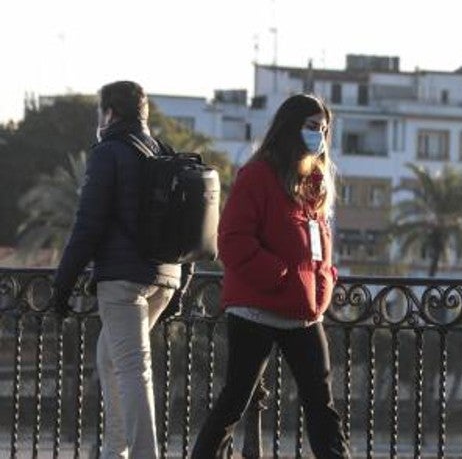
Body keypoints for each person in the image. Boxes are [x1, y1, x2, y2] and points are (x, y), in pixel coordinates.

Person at [191, 94, 349, 459]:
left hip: (305, 312)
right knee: (235, 400)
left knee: (321, 405)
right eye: (312, 127)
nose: (319, 135)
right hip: (257, 310)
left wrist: (324, 282)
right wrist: (280, 276)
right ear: (290, 127)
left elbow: (318, 247)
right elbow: (232, 240)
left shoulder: (314, 182)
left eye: (324, 129)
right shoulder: (257, 175)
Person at [51, 80, 193, 459]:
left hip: (123, 280)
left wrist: (62, 286)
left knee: (132, 369)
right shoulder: (163, 152)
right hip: (164, 278)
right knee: (109, 357)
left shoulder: (109, 152)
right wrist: (180, 286)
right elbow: (190, 226)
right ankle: (117, 452)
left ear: (109, 113)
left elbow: (88, 225)